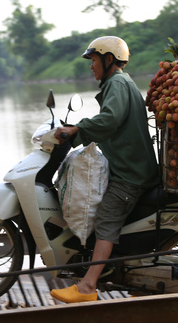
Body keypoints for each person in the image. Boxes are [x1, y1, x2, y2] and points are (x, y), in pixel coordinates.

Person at [50, 36, 159, 303]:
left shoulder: (117, 84)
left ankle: (87, 286)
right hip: (129, 165)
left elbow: (109, 119)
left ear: (108, 59)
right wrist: (79, 130)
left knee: (106, 219)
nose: (91, 66)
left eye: (94, 60)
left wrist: (77, 129)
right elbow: (111, 121)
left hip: (131, 173)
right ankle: (126, 273)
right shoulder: (120, 82)